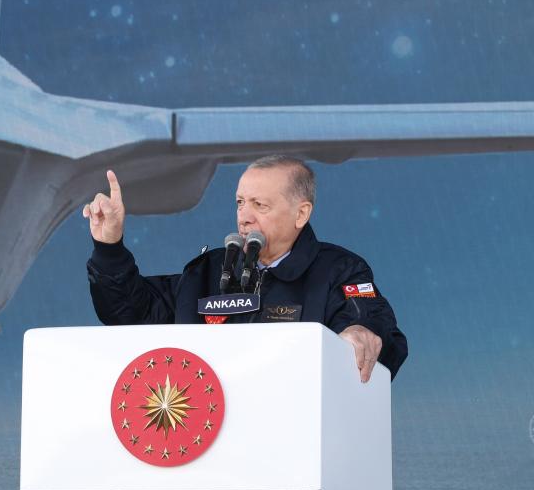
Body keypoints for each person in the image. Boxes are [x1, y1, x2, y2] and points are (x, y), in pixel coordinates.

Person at [82, 155, 408, 381]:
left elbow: (375, 328)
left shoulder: (338, 271)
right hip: (206, 440)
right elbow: (129, 311)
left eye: (259, 205)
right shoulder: (205, 273)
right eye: (240, 202)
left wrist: (362, 332)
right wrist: (109, 248)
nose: (244, 216)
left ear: (301, 214)